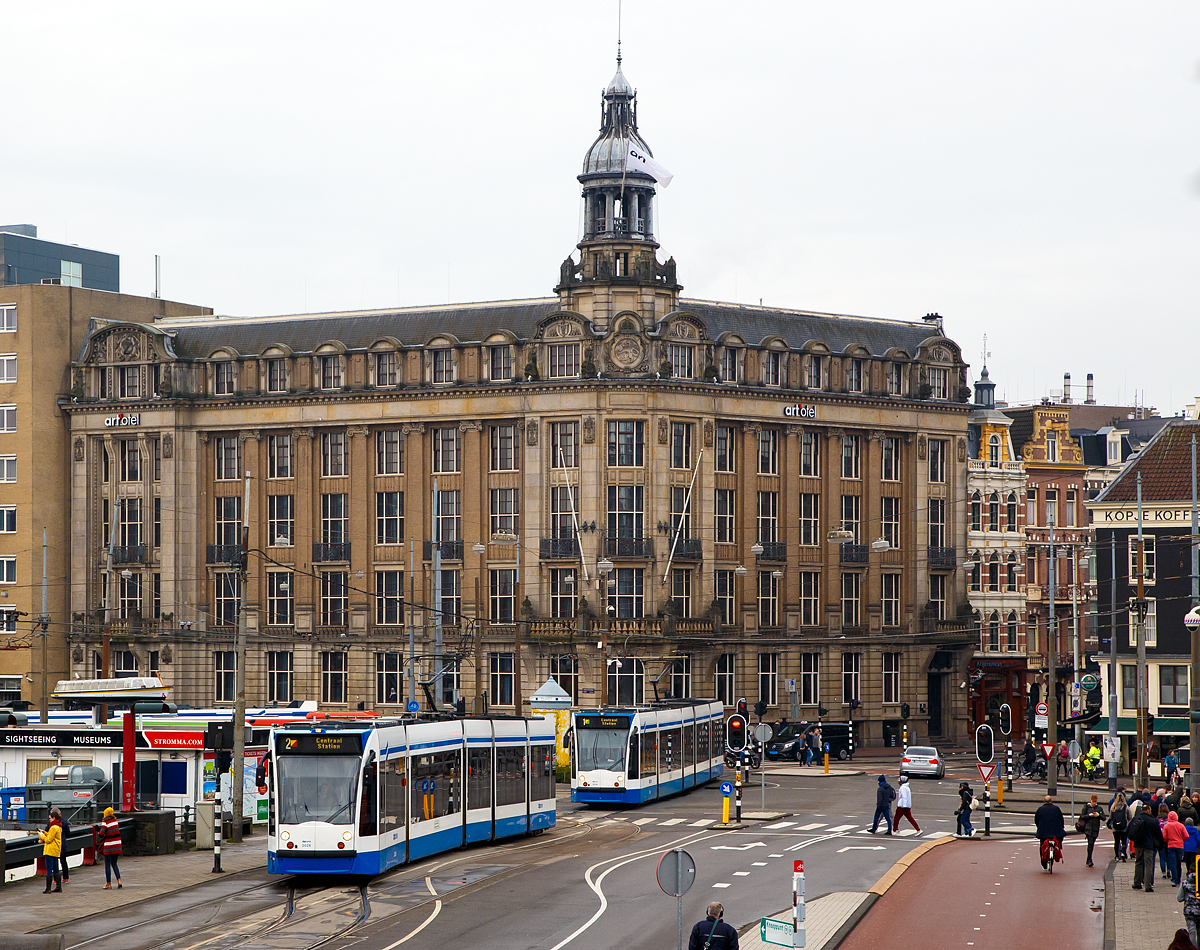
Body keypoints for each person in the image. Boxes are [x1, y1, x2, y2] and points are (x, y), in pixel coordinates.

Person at [1129, 797, 1165, 892]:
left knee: (1138, 862)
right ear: (1148, 810)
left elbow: (1130, 831)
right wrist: (1161, 844)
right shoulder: (1153, 821)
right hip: (1149, 845)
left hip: (1138, 844)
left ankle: (1137, 883)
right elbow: (1158, 834)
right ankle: (1148, 885)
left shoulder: (1136, 819)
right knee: (1148, 864)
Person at [1035, 795, 1065, 869]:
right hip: (1056, 832)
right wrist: (1062, 827)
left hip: (1043, 832)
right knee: (1059, 841)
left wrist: (1039, 827)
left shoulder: (1040, 809)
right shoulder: (1057, 809)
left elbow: (1036, 820)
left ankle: (1043, 862)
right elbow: (1061, 819)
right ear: (1051, 801)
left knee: (1042, 845)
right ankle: (1057, 851)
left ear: (1044, 801)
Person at [38, 807, 63, 893]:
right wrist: (45, 832)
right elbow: (52, 836)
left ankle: (48, 888)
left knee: (49, 869)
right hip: (56, 850)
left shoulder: (53, 827)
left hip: (50, 850)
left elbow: (48, 840)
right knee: (56, 868)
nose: (49, 820)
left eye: (50, 818)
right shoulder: (59, 827)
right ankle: (58, 886)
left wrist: (41, 835)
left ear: (54, 818)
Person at [98, 805, 123, 889]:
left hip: (109, 845)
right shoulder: (115, 821)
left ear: (106, 814)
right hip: (117, 845)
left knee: (107, 865)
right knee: (114, 864)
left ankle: (108, 884)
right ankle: (119, 880)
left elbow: (101, 834)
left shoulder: (105, 822)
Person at [1079, 794, 1105, 868]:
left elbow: (1103, 817)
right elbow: (1082, 816)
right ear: (1090, 800)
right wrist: (1089, 815)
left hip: (1095, 829)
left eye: (1095, 802)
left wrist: (1098, 815)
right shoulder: (1086, 808)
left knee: (1092, 844)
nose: (1094, 803)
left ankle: (1089, 858)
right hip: (1088, 829)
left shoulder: (1099, 808)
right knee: (1090, 844)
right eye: (1093, 802)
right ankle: (1089, 859)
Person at [1166, 810, 1188, 886]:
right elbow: (1186, 835)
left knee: (1173, 863)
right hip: (1179, 846)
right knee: (1179, 862)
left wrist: (1168, 841)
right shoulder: (1181, 825)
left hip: (1171, 845)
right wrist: (1182, 840)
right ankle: (1178, 878)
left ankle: (1174, 879)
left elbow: (1164, 836)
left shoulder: (1167, 826)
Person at [1180, 864, 1200, 947]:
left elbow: (1179, 898)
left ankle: (1192, 948)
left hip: (1189, 911)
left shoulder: (1185, 883)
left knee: (1192, 932)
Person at [1109, 791, 1130, 862]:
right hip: (1124, 827)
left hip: (1115, 828)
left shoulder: (1113, 807)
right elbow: (1129, 816)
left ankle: (1117, 856)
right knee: (1124, 841)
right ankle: (1123, 853)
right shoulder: (1126, 807)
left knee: (1116, 841)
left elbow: (1111, 817)